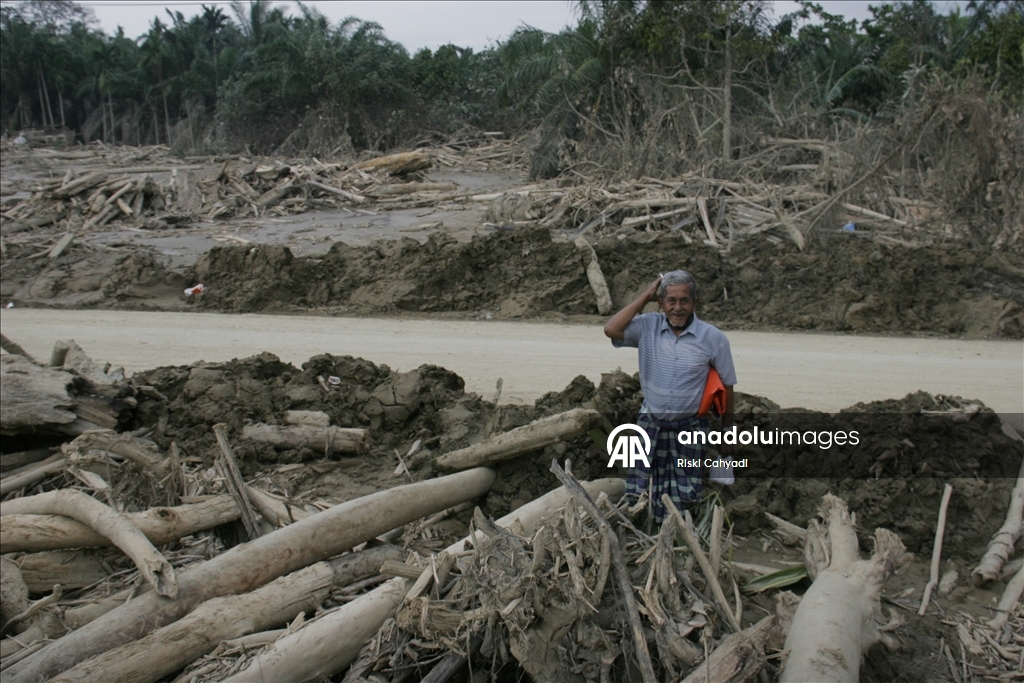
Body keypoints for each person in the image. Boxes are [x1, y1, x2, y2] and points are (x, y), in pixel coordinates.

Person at [603, 270, 737, 523]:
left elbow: (727, 387)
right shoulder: (647, 326)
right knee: (639, 488)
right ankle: (643, 531)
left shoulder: (713, 339)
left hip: (690, 427)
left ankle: (677, 538)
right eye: (671, 300)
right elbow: (611, 329)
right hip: (650, 423)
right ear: (661, 303)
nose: (678, 307)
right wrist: (644, 296)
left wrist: (728, 433)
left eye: (684, 300)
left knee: (684, 494)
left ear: (694, 304)